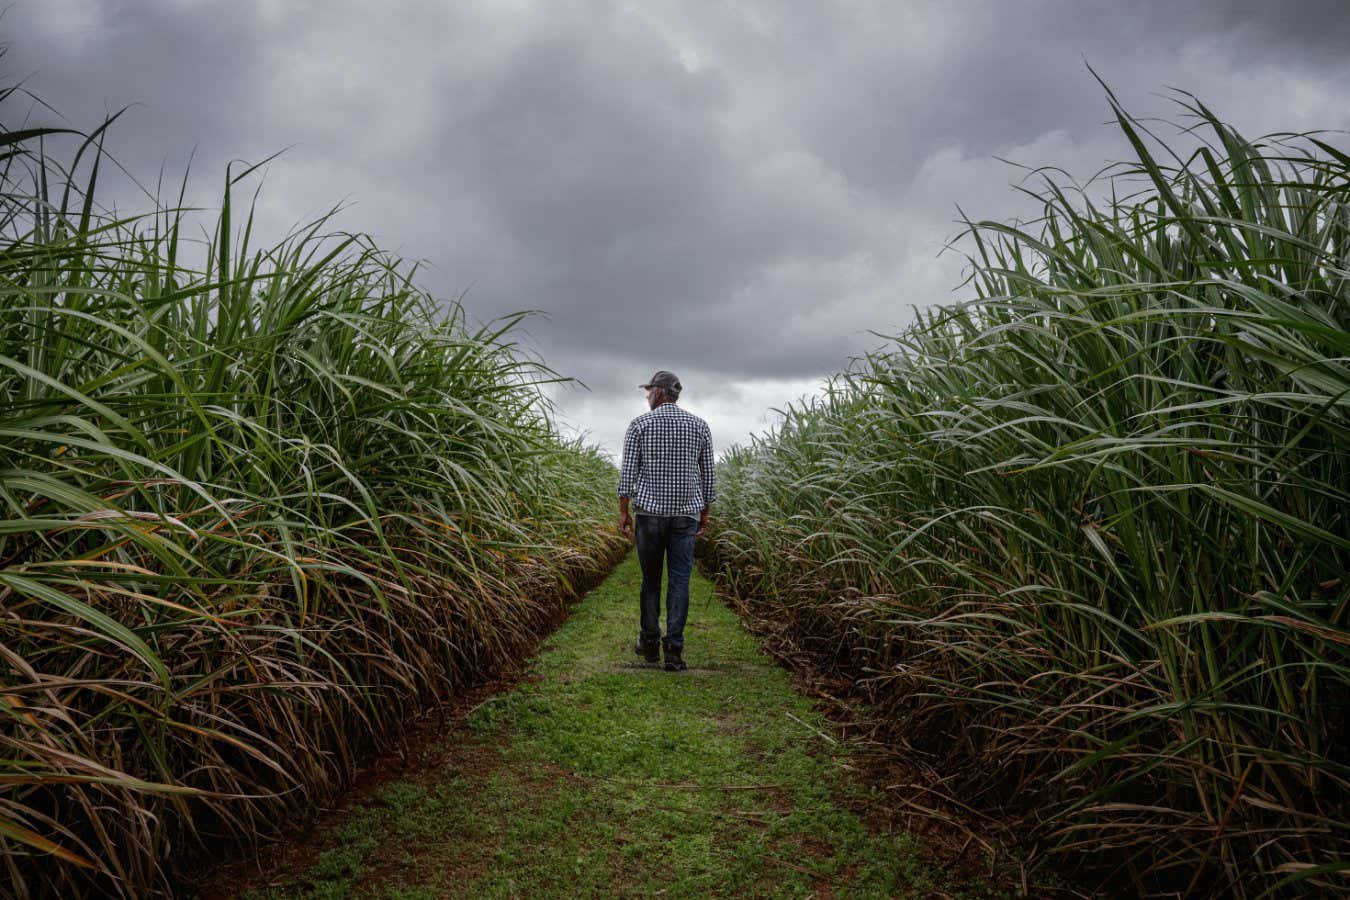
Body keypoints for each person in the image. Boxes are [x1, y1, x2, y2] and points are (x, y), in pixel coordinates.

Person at [617, 370, 715, 672]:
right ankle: (673, 649)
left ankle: (649, 643)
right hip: (685, 515)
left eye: (649, 391)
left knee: (650, 581)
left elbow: (628, 474)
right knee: (680, 582)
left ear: (659, 393)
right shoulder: (699, 426)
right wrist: (704, 512)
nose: (647, 396)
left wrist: (623, 510)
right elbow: (708, 475)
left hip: (649, 516)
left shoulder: (640, 425)